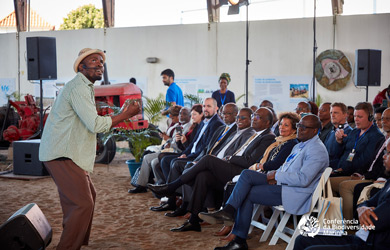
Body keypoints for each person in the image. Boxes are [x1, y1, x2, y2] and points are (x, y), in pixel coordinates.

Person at [39, 48, 141, 250]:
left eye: (101, 61)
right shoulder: (78, 87)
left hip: (69, 153)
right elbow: (94, 124)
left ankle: (73, 243)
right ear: (81, 66)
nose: (99, 64)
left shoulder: (85, 87)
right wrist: (125, 114)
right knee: (82, 204)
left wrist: (122, 114)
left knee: (84, 200)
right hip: (62, 153)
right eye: (94, 60)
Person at [199, 114, 329, 250]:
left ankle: (239, 239)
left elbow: (303, 179)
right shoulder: (301, 145)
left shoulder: (316, 149)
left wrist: (276, 175)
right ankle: (229, 211)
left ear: (315, 130)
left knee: (247, 194)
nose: (300, 129)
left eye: (304, 127)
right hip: (282, 184)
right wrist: (272, 175)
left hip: (295, 192)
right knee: (247, 174)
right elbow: (285, 167)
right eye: (299, 126)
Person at [148, 107, 276, 232]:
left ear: (268, 122)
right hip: (233, 166)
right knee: (203, 176)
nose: (254, 119)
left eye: (257, 117)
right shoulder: (255, 134)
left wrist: (229, 158)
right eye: (253, 116)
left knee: (208, 159)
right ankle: (193, 220)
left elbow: (249, 161)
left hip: (242, 172)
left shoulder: (267, 136)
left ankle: (172, 186)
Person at [293, 139, 390, 250]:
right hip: (361, 238)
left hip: (373, 245)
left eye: (388, 153)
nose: (384, 156)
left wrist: (363, 211)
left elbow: (374, 222)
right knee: (302, 239)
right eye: (385, 152)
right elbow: (367, 203)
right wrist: (362, 208)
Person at [128, 106, 191, 194]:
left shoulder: (188, 128)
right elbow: (175, 141)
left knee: (148, 158)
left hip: (175, 151)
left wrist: (168, 142)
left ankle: (148, 185)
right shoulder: (178, 126)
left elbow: (179, 145)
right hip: (169, 149)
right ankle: (152, 185)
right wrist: (168, 142)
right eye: (180, 113)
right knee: (148, 156)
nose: (181, 116)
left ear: (190, 116)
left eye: (184, 114)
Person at [324, 102, 353, 169]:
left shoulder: (350, 133)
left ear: (345, 115)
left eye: (336, 113)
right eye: (331, 113)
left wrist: (339, 141)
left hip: (337, 171)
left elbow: (348, 156)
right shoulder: (331, 132)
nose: (332, 115)